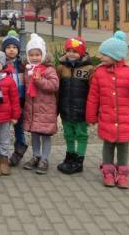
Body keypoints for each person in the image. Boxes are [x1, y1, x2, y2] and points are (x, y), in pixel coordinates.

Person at [87, 31, 129, 189]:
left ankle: (122, 174)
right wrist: (90, 116)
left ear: (115, 55)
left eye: (104, 54)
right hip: (107, 117)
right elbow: (93, 96)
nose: (100, 57)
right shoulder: (99, 72)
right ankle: (108, 172)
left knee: (123, 146)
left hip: (125, 119)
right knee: (108, 145)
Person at [22, 33, 59, 174]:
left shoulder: (49, 70)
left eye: (37, 54)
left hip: (45, 109)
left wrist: (39, 80)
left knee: (45, 135)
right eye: (31, 55)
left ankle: (44, 158)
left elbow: (54, 86)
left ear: (43, 55)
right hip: (32, 109)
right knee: (35, 135)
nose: (34, 58)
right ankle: (36, 156)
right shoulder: (28, 70)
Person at [56, 37, 94, 174]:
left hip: (81, 111)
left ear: (82, 53)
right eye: (69, 51)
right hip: (66, 109)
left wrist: (92, 112)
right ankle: (70, 156)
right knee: (68, 134)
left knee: (81, 134)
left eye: (75, 51)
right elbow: (57, 89)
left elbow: (93, 92)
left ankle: (79, 161)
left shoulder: (89, 69)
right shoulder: (61, 68)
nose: (71, 54)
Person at [1, 31, 27, 166]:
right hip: (5, 102)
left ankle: (19, 149)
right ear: (4, 50)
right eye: (8, 47)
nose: (12, 50)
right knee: (4, 129)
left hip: (20, 101)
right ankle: (2, 153)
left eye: (15, 47)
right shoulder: (1, 65)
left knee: (19, 128)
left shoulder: (22, 65)